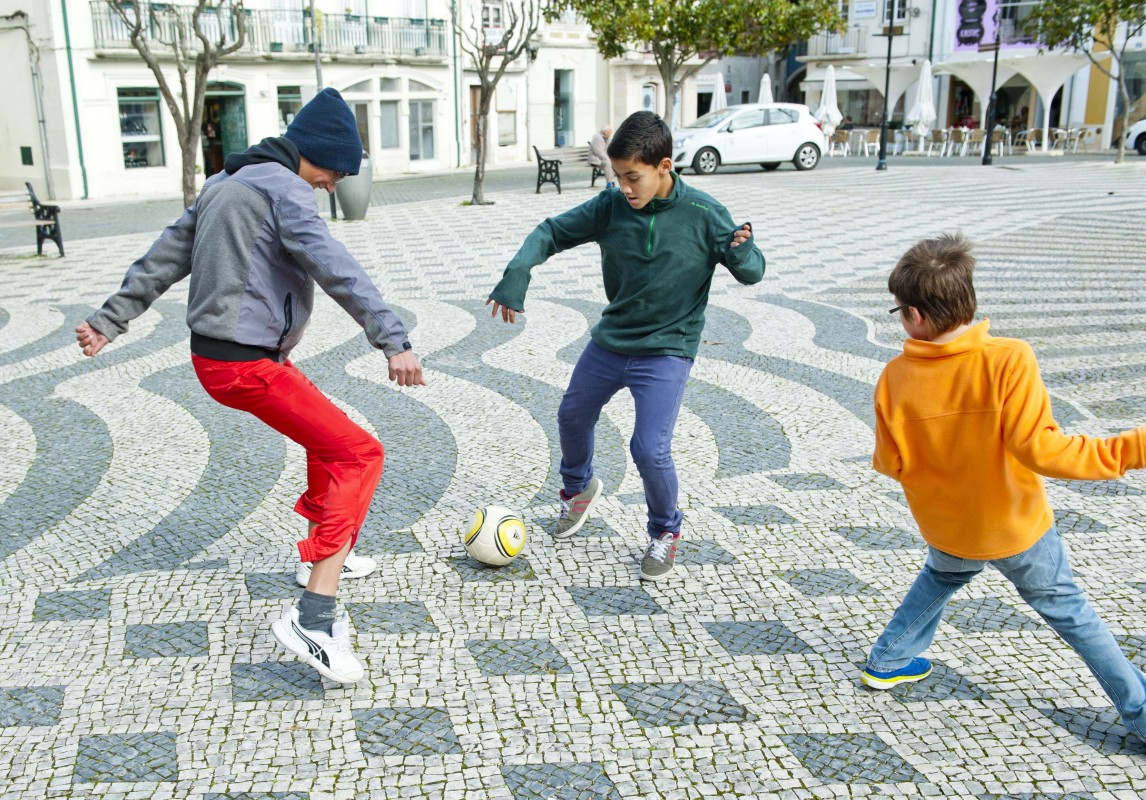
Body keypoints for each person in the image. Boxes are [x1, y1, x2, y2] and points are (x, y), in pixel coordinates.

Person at [75, 88, 424, 684]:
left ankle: (321, 553)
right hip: (246, 366)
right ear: (315, 155)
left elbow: (163, 257)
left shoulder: (222, 183)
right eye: (337, 171)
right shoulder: (285, 191)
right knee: (360, 452)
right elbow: (337, 268)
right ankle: (314, 617)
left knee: (327, 441)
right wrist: (393, 339)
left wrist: (109, 319)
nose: (334, 184)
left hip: (219, 360)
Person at [862, 233, 1146, 760]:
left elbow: (889, 463)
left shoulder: (894, 377)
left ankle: (890, 660)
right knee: (1071, 613)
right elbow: (1042, 450)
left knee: (943, 573)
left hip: (948, 525)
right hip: (1015, 526)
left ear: (915, 315)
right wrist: (1125, 451)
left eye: (898, 310)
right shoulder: (1010, 359)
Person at [486, 111, 765, 581]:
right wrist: (517, 274)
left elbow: (752, 270)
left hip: (668, 349)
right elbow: (550, 231)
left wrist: (740, 252)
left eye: (633, 177)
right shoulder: (611, 205)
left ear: (665, 166)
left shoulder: (703, 213)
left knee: (649, 449)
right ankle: (578, 489)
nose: (625, 187)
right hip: (613, 339)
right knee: (572, 413)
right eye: (618, 176)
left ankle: (664, 530)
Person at [588, 124, 616, 189]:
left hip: (602, 159)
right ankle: (609, 183)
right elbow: (599, 152)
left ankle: (612, 181)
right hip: (595, 159)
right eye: (610, 131)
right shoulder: (597, 137)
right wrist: (608, 159)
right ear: (605, 132)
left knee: (614, 162)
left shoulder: (607, 138)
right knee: (607, 164)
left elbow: (609, 149)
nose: (611, 133)